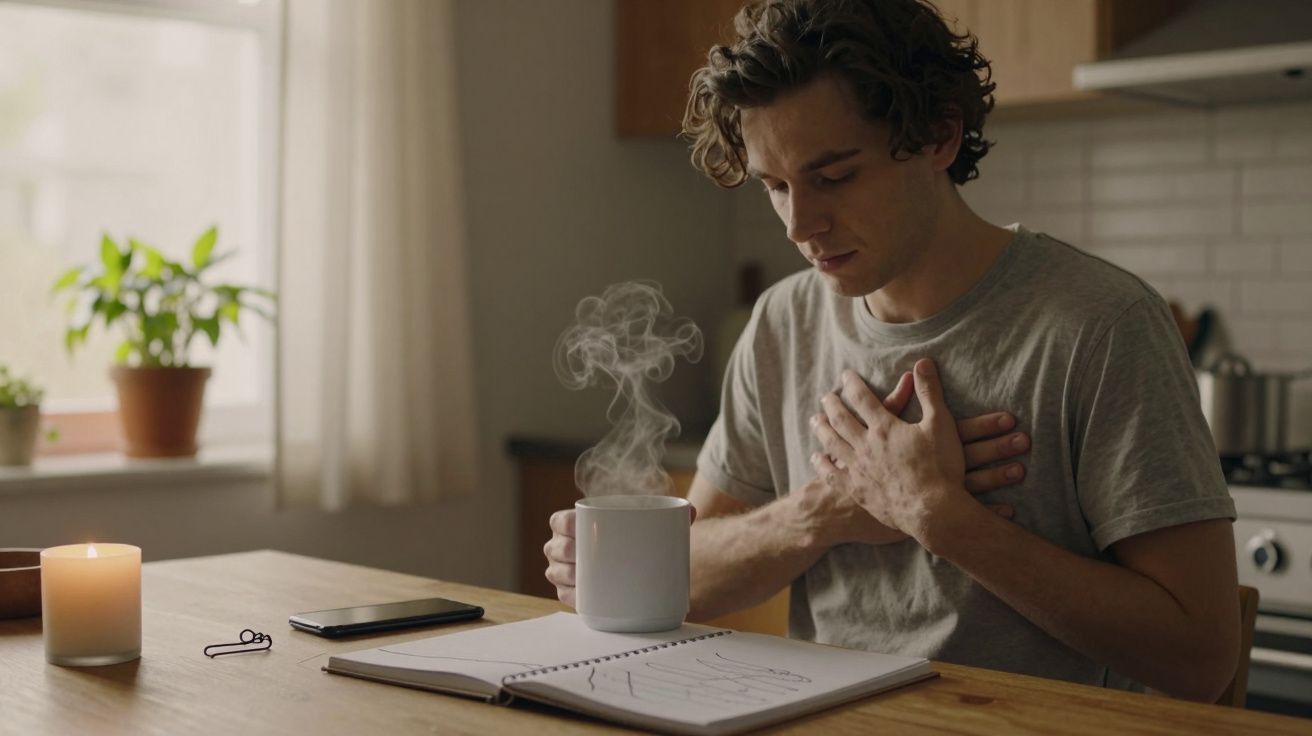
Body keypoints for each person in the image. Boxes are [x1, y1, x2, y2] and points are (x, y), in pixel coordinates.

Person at [545, 0, 1239, 702]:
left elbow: (1201, 660)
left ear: (939, 136)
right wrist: (824, 513)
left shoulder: (1103, 324)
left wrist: (939, 518)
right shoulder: (783, 322)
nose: (798, 225)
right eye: (776, 186)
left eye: (835, 176)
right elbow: (686, 579)